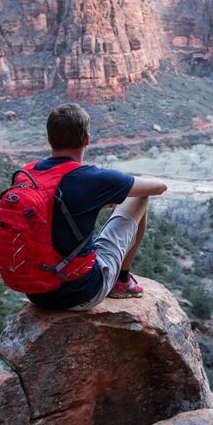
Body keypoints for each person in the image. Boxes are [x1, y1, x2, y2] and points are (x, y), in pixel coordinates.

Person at [25, 103, 167, 310]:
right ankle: (121, 280)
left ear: (49, 139)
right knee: (139, 197)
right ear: (86, 139)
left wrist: (99, 200)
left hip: (37, 292)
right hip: (82, 293)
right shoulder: (91, 178)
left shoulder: (28, 174)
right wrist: (113, 193)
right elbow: (159, 187)